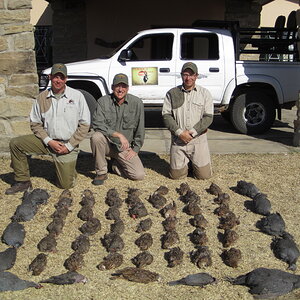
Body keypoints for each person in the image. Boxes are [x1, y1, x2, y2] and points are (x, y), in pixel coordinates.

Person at [5, 63, 91, 194]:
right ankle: (23, 181)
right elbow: (35, 123)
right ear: (50, 77)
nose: (58, 80)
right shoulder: (41, 97)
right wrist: (49, 141)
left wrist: (69, 146)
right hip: (46, 141)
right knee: (16, 144)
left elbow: (85, 124)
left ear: (66, 79)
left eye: (61, 77)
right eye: (55, 77)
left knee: (65, 185)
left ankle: (69, 170)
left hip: (67, 143)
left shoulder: (77, 96)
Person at [90, 73, 145, 185]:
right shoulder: (103, 101)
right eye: (117, 86)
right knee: (96, 137)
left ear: (128, 88)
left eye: (123, 86)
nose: (120, 89)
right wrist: (118, 135)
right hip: (107, 145)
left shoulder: (137, 103)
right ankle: (101, 172)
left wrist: (135, 149)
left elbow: (140, 128)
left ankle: (114, 166)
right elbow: (96, 123)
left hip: (124, 148)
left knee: (139, 175)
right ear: (112, 87)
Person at [162, 62, 213, 180]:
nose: (188, 78)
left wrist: (193, 132)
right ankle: (186, 163)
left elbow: (208, 117)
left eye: (191, 75)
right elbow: (166, 116)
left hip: (198, 140)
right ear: (181, 75)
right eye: (185, 74)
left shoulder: (205, 94)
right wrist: (180, 133)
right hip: (178, 140)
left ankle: (193, 163)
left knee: (204, 176)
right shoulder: (172, 93)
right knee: (176, 176)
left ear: (196, 76)